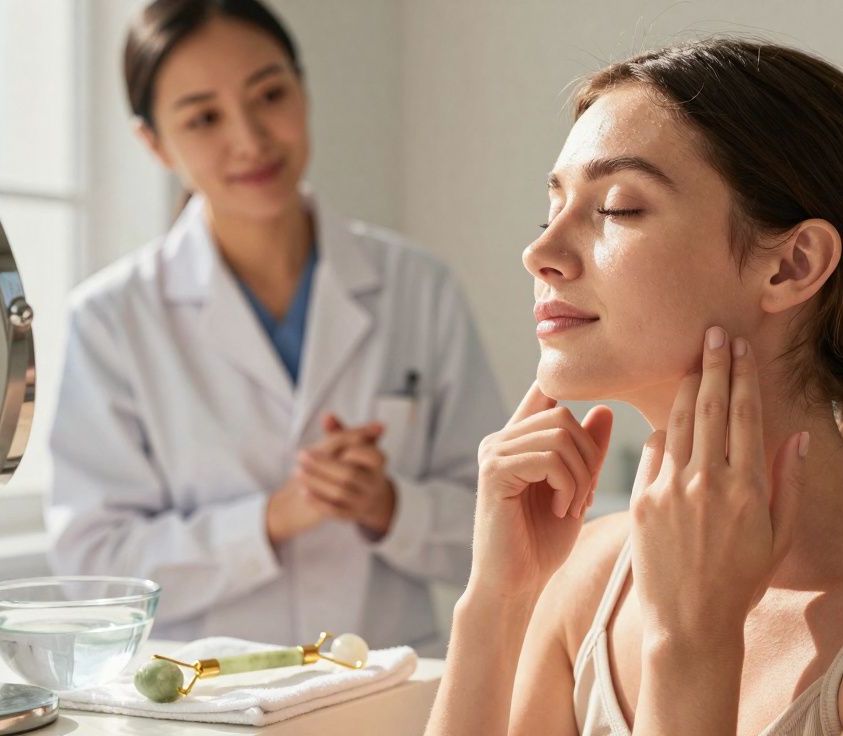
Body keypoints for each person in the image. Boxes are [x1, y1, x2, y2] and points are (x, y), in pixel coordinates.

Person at [428, 39, 843, 734]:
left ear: (792, 265)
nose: (540, 253)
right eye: (552, 210)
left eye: (616, 209)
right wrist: (496, 600)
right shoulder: (585, 577)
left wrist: (690, 643)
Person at [45, 0, 504, 655]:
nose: (251, 139)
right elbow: (93, 571)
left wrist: (389, 507)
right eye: (204, 117)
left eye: (269, 94)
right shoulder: (113, 319)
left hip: (391, 684)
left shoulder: (418, 288)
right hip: (205, 699)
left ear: (302, 87)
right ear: (153, 143)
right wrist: (270, 520)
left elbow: (502, 523)